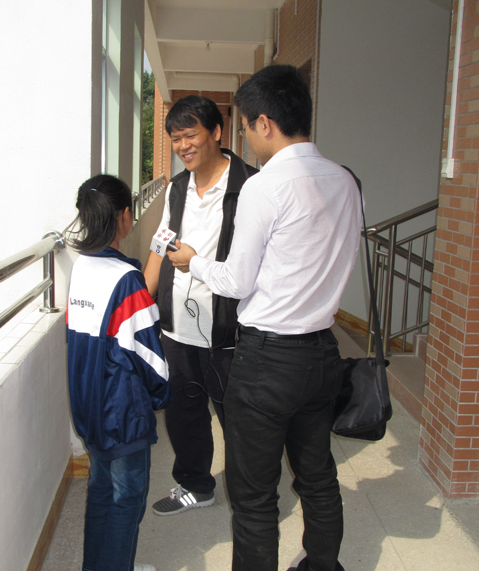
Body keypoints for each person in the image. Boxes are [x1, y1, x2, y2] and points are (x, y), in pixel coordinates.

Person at [168, 65, 362, 571]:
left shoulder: (265, 186)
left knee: (253, 496)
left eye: (247, 128)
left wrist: (194, 263)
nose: (248, 141)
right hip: (322, 351)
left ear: (265, 123)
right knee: (317, 476)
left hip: (267, 359)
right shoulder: (345, 181)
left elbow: (236, 281)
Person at [144, 95, 258, 516]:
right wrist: (139, 304)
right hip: (178, 329)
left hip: (231, 331)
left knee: (242, 421)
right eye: (176, 139)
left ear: (217, 132)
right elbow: (159, 247)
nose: (183, 146)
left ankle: (252, 498)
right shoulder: (177, 189)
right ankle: (196, 485)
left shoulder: (251, 187)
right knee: (184, 414)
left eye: (190, 135)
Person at [66, 174, 173, 571]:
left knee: (101, 491)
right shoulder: (125, 280)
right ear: (125, 216)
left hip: (90, 407)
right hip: (123, 413)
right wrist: (160, 396)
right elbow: (149, 357)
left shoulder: (82, 268)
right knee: (127, 498)